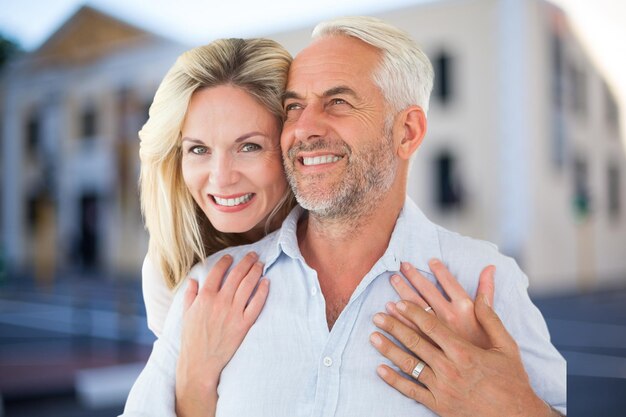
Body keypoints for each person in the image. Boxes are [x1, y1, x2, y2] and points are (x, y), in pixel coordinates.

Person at [122, 16, 566, 417]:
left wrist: (515, 409)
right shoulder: (205, 289)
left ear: (407, 132)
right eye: (294, 106)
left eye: (337, 102)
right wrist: (194, 385)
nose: (305, 127)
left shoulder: (485, 283)